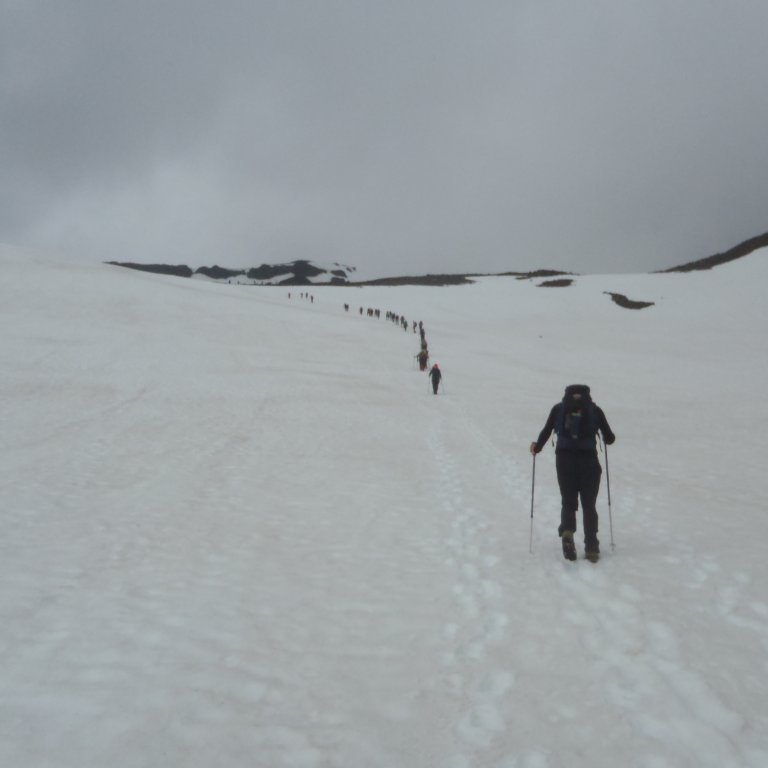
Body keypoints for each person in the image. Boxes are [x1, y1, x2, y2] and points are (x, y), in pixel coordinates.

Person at [529, 384, 615, 562]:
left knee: (568, 500)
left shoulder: (559, 409)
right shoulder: (594, 410)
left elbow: (546, 432)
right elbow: (610, 438)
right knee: (589, 504)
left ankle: (567, 531)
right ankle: (591, 547)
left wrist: (536, 447)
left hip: (564, 461)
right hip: (589, 461)